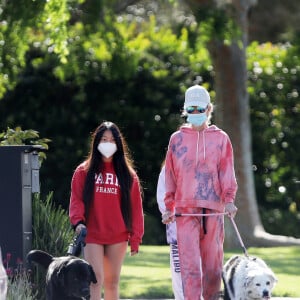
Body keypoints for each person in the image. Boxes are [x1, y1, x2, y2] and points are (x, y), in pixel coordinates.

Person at [162, 85, 238, 300]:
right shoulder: (176, 139)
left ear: (209, 109)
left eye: (200, 109)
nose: (195, 113)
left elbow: (226, 170)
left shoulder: (221, 138)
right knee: (190, 267)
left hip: (214, 211)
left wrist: (229, 200)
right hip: (185, 211)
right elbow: (170, 175)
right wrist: (169, 207)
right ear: (185, 110)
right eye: (191, 109)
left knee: (213, 268)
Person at [69, 121, 144, 300]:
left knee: (112, 282)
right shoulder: (83, 171)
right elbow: (76, 199)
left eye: (112, 140)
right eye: (104, 139)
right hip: (92, 233)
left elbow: (136, 208)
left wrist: (136, 237)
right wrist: (78, 222)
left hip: (118, 235)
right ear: (96, 143)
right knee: (95, 280)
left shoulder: (128, 175)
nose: (108, 144)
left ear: (118, 144)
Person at [157, 163, 184, 300]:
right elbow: (163, 197)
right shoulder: (168, 170)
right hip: (177, 229)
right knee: (179, 272)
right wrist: (170, 212)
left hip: (202, 230)